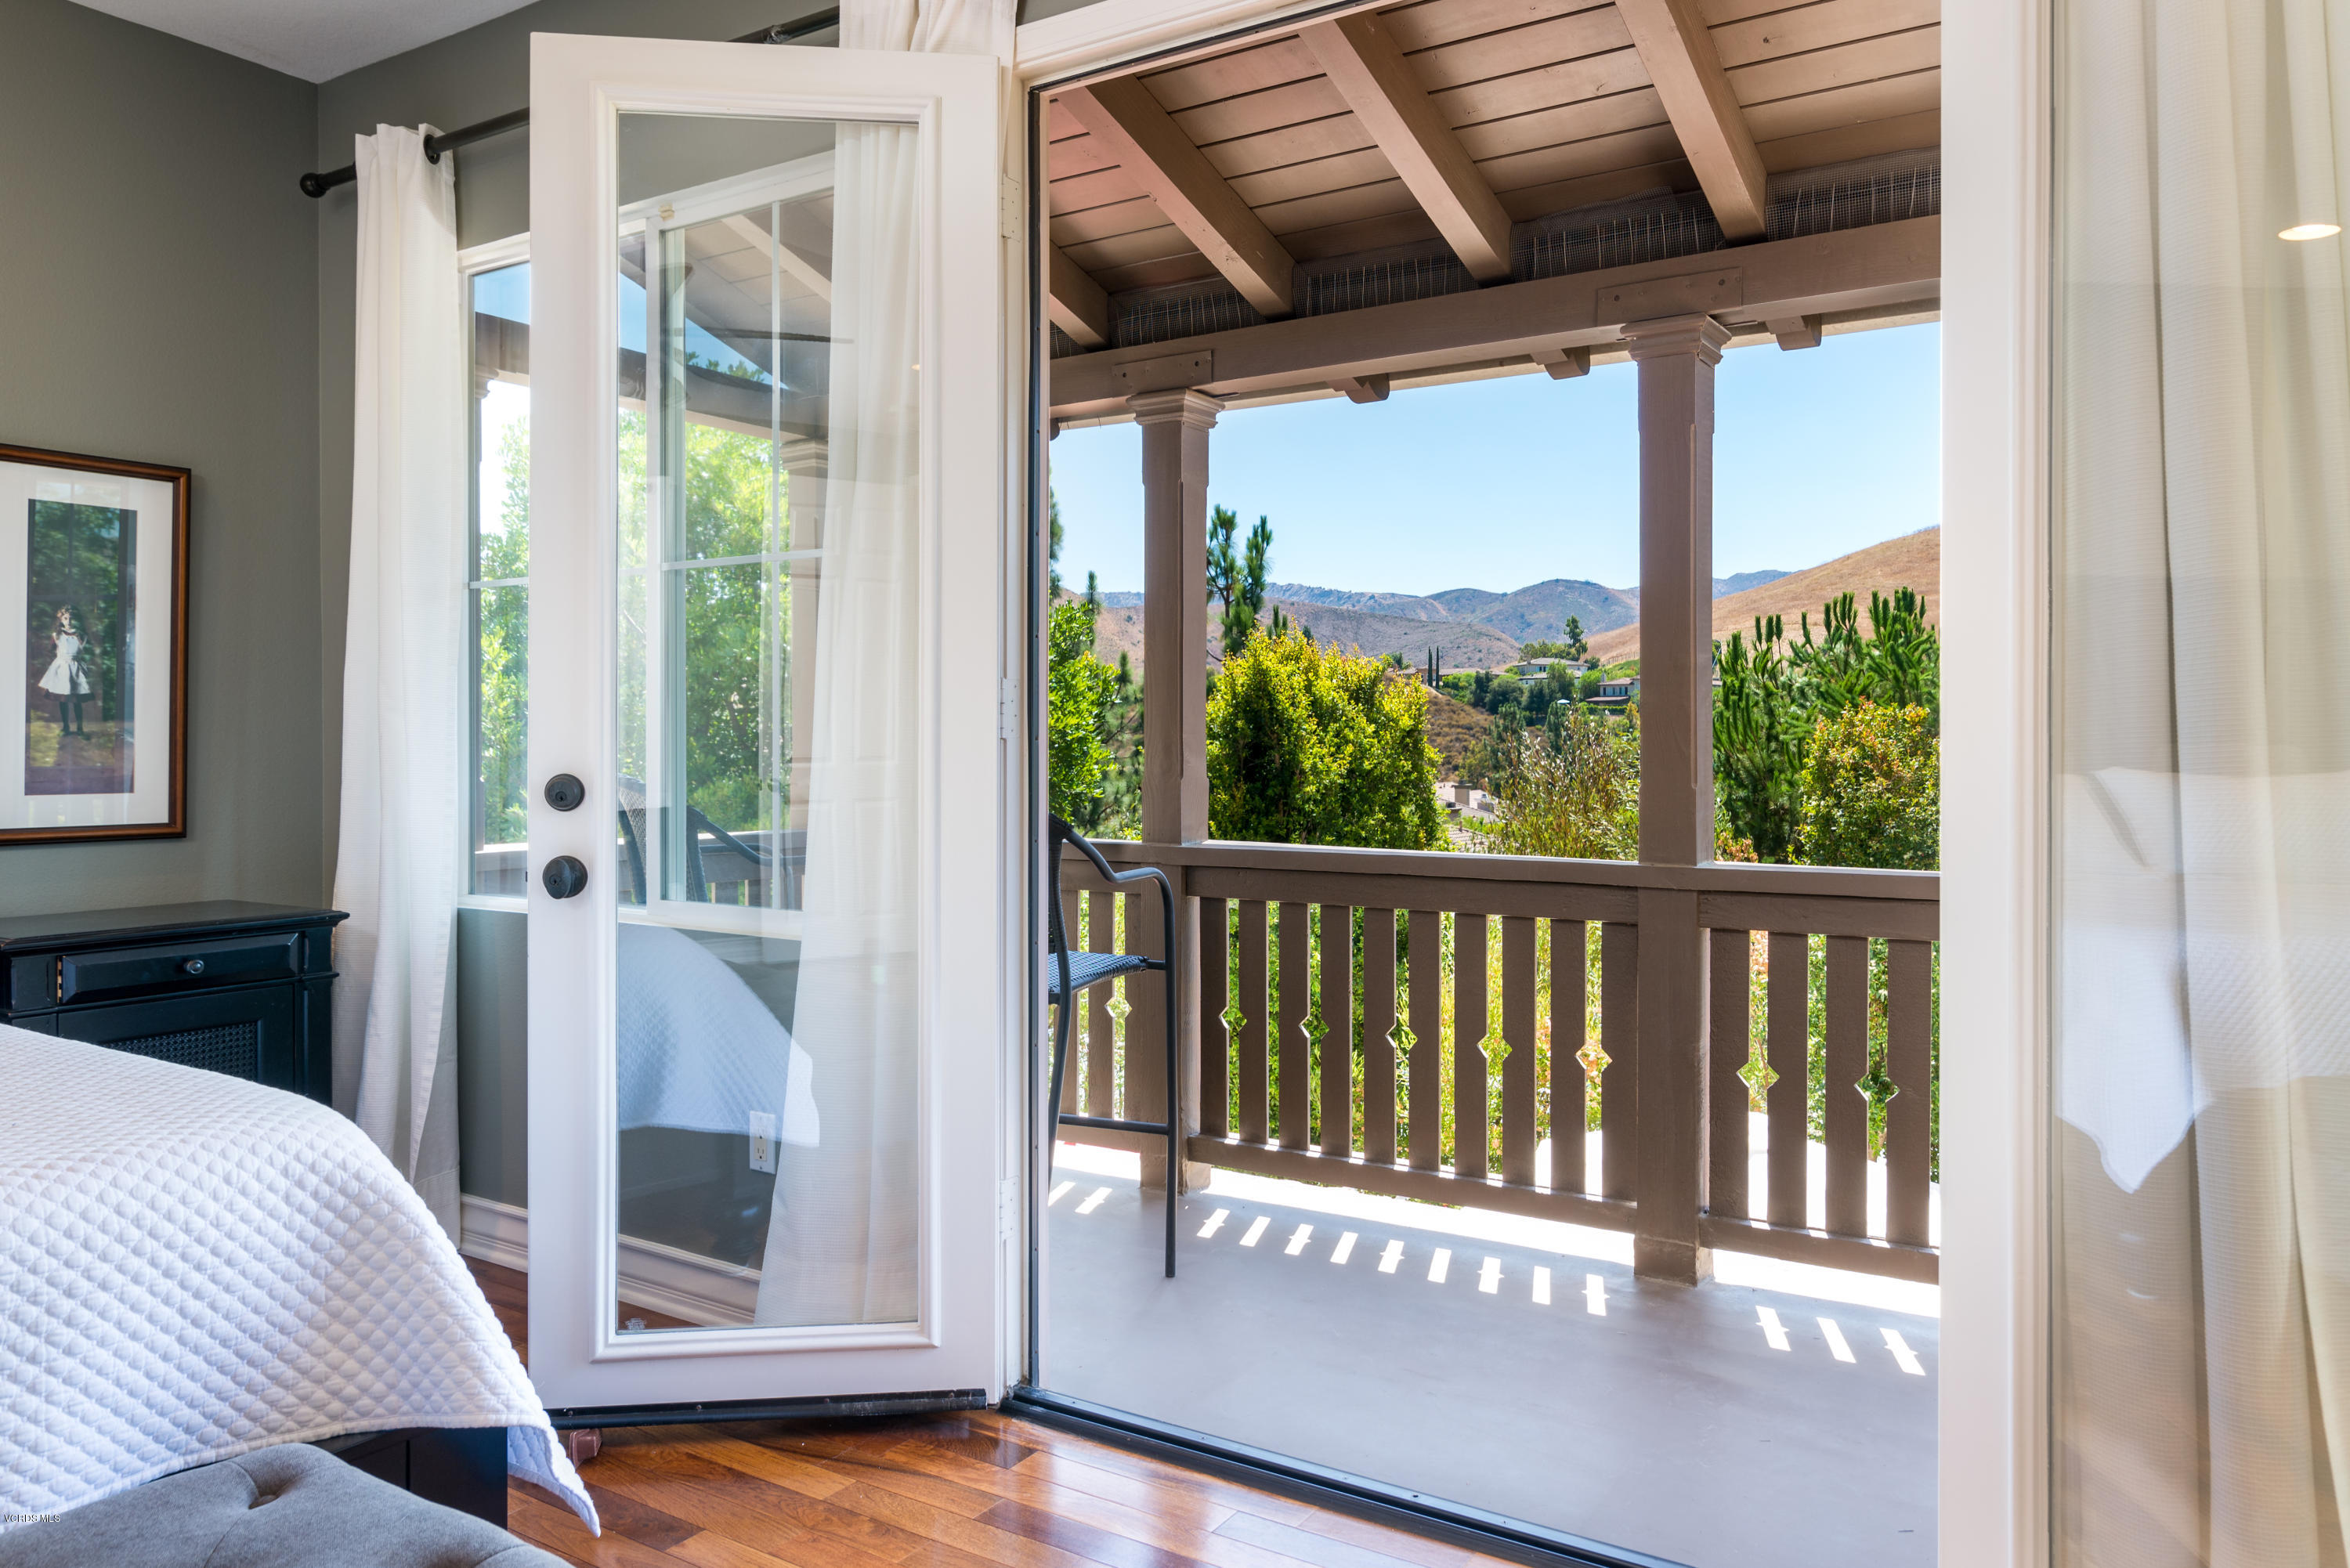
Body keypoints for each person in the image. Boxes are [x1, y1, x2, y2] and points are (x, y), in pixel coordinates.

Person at [37, 604, 91, 739]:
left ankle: (80, 729)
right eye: (66, 618)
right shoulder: (57, 635)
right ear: (61, 620)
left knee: (77, 700)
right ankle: (66, 727)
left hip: (75, 669)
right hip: (62, 669)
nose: (69, 621)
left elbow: (86, 651)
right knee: (63, 699)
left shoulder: (81, 635)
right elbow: (51, 650)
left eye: (71, 618)